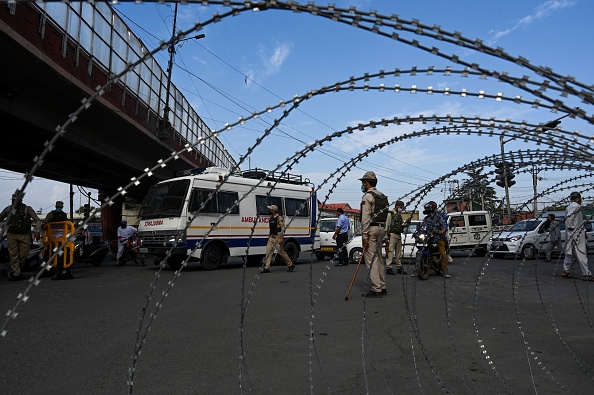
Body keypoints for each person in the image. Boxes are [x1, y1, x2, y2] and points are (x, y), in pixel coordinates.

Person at [359, 171, 388, 297]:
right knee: (379, 258)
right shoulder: (382, 196)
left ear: (367, 183)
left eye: (363, 182)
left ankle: (376, 288)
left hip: (372, 229)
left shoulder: (367, 196)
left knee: (371, 258)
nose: (362, 184)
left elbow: (365, 218)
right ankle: (382, 285)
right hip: (381, 228)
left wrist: (365, 236)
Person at [0, 193, 41, 281]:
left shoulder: (27, 209)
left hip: (24, 235)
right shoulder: (8, 209)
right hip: (11, 234)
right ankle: (16, 273)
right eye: (13, 200)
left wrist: (37, 231)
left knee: (24, 254)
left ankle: (14, 270)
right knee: (13, 255)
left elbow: (36, 219)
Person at [561, 192, 593, 281]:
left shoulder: (572, 206)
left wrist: (584, 232)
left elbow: (578, 222)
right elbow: (568, 218)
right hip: (575, 235)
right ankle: (587, 274)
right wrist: (571, 228)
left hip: (575, 234)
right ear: (578, 199)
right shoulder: (574, 206)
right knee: (581, 253)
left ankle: (566, 271)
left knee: (570, 254)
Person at [261, 205, 295, 273]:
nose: (269, 210)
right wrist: (269, 237)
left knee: (281, 252)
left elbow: (282, 229)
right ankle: (267, 267)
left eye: (270, 209)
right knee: (268, 252)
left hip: (278, 237)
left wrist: (281, 238)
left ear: (273, 211)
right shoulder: (271, 218)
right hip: (271, 237)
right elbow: (271, 229)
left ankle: (290, 264)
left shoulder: (279, 218)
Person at [421, 201, 451, 278]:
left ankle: (445, 270)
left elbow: (444, 226)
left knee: (442, 254)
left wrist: (442, 231)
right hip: (428, 239)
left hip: (438, 238)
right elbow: (422, 227)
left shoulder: (439, 217)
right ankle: (419, 269)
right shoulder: (426, 219)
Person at [384, 200, 407, 275]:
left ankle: (399, 267)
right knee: (390, 251)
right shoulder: (390, 214)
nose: (401, 209)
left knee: (398, 252)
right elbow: (387, 225)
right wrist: (386, 237)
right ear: (397, 206)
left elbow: (400, 226)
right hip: (392, 235)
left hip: (398, 235)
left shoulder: (399, 215)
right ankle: (388, 267)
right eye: (400, 207)